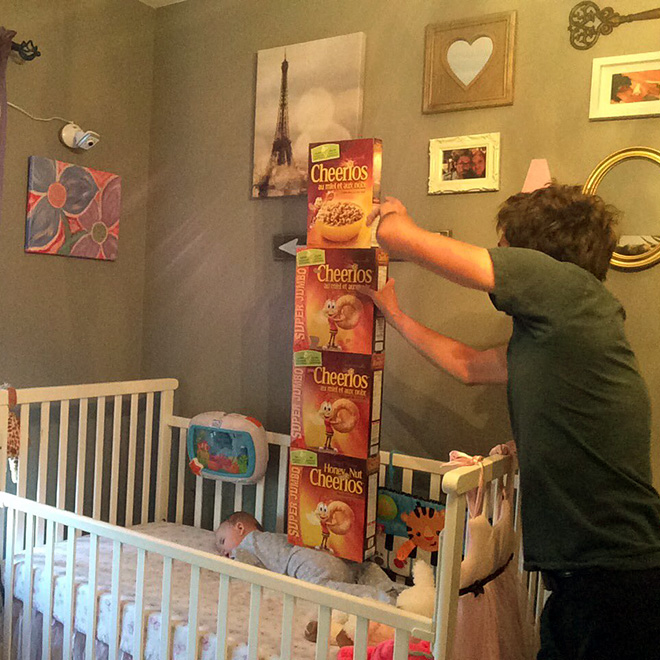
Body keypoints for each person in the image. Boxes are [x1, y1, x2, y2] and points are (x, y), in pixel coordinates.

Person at [360, 187, 660, 660]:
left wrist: (392, 224)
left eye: (504, 246)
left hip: (613, 575)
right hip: (585, 577)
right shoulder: (557, 332)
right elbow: (468, 365)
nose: (498, 254)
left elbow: (418, 244)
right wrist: (394, 316)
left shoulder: (569, 288)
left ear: (532, 253)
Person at [215, 511, 404, 603]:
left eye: (222, 541)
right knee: (362, 569)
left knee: (321, 590)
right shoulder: (278, 538)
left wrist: (229, 563)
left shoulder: (249, 543)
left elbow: (244, 570)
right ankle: (395, 590)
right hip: (329, 557)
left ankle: (377, 598)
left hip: (303, 561)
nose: (223, 551)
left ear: (240, 528)